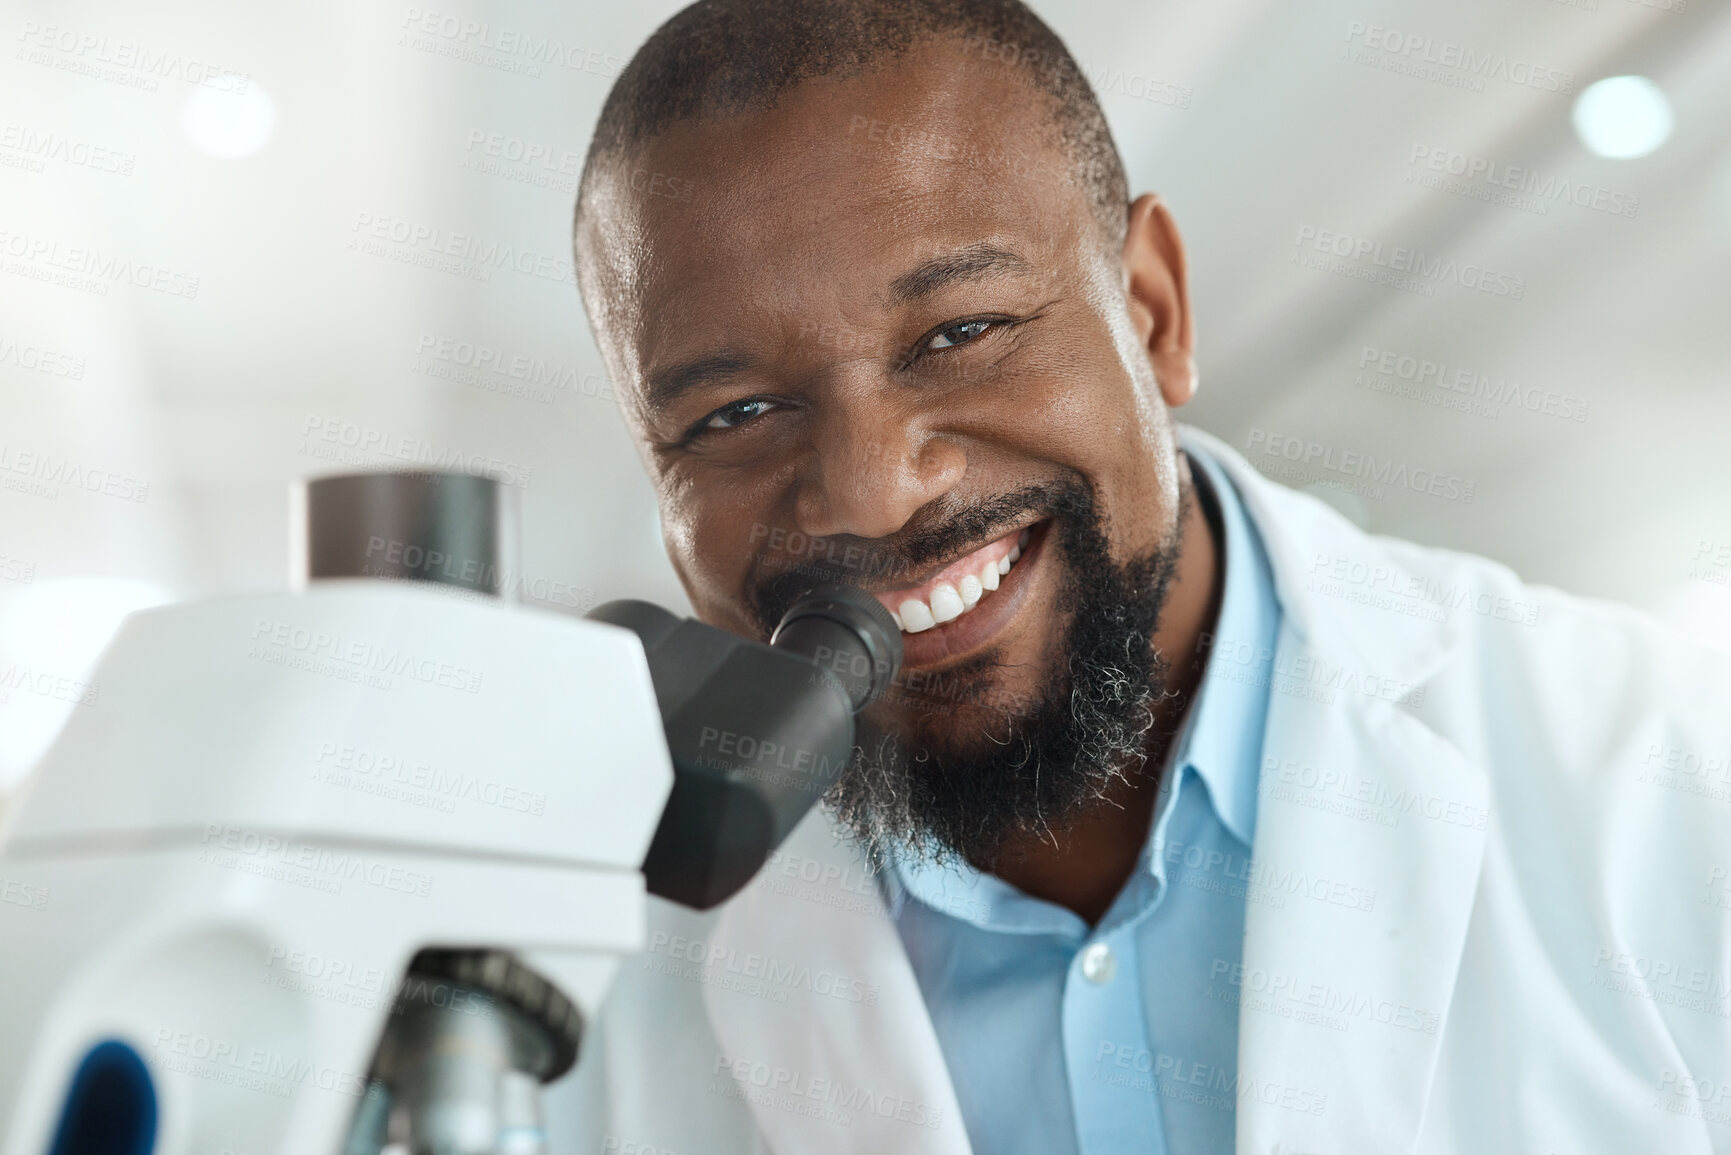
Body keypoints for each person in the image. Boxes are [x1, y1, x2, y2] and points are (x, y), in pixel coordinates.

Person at [553, 2, 1731, 1151]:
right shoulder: (565, 963)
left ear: (1154, 310)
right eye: (736, 413)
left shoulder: (1667, 783)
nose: (873, 490)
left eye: (961, 332)